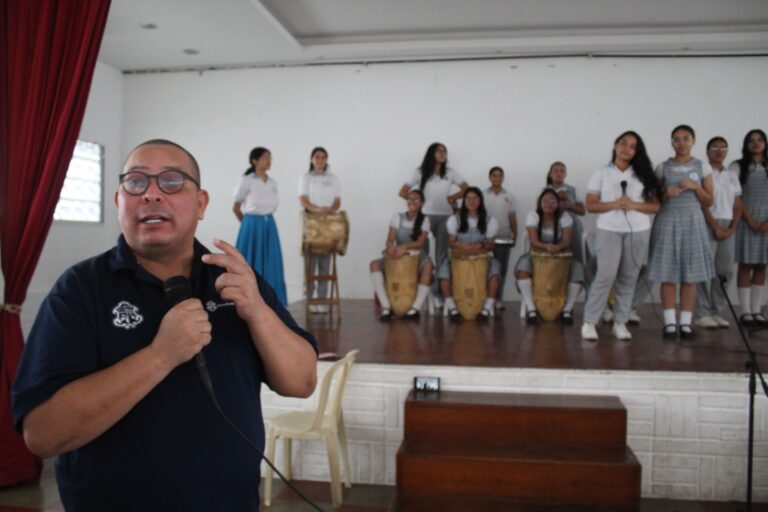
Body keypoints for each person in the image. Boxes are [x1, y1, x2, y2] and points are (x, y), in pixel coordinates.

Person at [12, 140, 318, 511]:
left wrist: (257, 311)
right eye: (136, 183)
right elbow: (43, 434)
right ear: (118, 202)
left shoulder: (236, 280)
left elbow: (301, 382)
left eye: (171, 182)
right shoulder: (79, 289)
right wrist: (161, 356)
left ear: (201, 203)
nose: (152, 195)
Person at [581, 131, 661, 341]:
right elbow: (591, 205)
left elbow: (655, 206)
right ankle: (590, 321)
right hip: (609, 230)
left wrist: (633, 205)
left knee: (629, 277)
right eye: (623, 143)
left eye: (632, 146)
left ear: (637, 152)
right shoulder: (601, 173)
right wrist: (615, 204)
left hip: (638, 231)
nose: (627, 148)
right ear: (616, 145)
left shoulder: (644, 174)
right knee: (605, 276)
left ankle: (620, 321)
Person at [647, 125, 714, 340]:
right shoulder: (662, 167)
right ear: (671, 142)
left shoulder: (703, 167)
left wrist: (696, 187)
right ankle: (669, 323)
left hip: (693, 223)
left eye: (686, 138)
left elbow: (709, 201)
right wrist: (666, 193)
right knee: (668, 275)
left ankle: (686, 323)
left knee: (690, 276)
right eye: (676, 139)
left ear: (693, 140)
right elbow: (653, 200)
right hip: (667, 222)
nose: (681, 143)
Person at [399, 143, 468, 307]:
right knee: (423, 256)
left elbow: (467, 189)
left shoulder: (450, 172)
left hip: (445, 217)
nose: (442, 153)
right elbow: (403, 192)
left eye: (444, 151)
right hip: (426, 217)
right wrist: (416, 202)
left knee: (442, 256)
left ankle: (439, 294)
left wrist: (451, 199)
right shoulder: (420, 172)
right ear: (431, 153)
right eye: (439, 150)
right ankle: (420, 293)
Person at [515, 188, 584, 324]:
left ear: (558, 204)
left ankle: (567, 310)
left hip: (560, 256)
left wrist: (558, 247)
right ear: (540, 203)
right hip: (536, 255)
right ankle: (531, 309)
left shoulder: (565, 217)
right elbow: (534, 241)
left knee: (577, 268)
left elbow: (566, 241)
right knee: (523, 267)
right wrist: (546, 247)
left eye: (553, 201)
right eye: (545, 200)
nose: (549, 204)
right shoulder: (533, 215)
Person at [694, 137, 741, 328]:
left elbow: (737, 205)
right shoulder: (703, 173)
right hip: (708, 223)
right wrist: (714, 226)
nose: (719, 151)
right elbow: (703, 203)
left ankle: (717, 310)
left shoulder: (731, 175)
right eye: (715, 147)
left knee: (725, 270)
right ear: (707, 151)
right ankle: (702, 312)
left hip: (728, 224)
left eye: (723, 148)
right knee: (705, 269)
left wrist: (732, 228)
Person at [233, 146, 288, 306]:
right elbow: (236, 207)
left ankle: (272, 301)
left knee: (271, 262)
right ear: (254, 160)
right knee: (250, 262)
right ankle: (247, 299)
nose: (268, 161)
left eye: (270, 158)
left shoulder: (272, 182)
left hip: (269, 224)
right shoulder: (246, 180)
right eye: (265, 158)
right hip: (251, 224)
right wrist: (247, 227)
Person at [437, 187, 501, 321]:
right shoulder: (454, 219)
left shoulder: (490, 220)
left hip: (483, 258)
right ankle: (452, 308)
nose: (472, 201)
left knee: (495, 273)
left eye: (475, 198)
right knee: (443, 273)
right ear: (464, 201)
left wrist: (479, 246)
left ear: (480, 201)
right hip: (458, 258)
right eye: (468, 198)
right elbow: (451, 243)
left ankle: (486, 309)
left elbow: (490, 244)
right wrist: (463, 246)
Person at [369, 189, 434, 321]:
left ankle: (415, 308)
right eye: (409, 198)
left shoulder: (425, 220)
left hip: (416, 256)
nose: (412, 201)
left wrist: (404, 247)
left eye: (416, 199)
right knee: (374, 264)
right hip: (398, 256)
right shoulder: (397, 217)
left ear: (421, 203)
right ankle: (386, 307)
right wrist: (390, 247)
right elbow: (390, 239)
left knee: (428, 267)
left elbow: (420, 242)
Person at [299, 147, 341, 314]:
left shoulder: (333, 178)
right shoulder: (305, 177)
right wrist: (317, 209)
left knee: (325, 261)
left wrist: (329, 210)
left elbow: (337, 200)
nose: (320, 160)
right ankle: (310, 297)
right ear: (311, 159)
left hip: (328, 221)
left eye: (323, 157)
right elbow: (303, 199)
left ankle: (323, 299)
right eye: (317, 157)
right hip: (311, 220)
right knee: (311, 261)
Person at [733, 129, 768, 326]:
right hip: (746, 221)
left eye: (760, 140)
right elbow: (735, 197)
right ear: (746, 144)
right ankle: (745, 311)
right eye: (751, 141)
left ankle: (757, 311)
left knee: (762, 265)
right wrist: (752, 220)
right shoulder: (738, 167)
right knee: (745, 264)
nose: (756, 143)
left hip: (767, 222)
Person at [484, 166, 518, 311]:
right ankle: (485, 298)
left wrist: (514, 233)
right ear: (490, 177)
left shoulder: (509, 196)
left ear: (503, 178)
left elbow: (512, 217)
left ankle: (498, 299)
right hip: (485, 237)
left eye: (500, 176)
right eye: (494, 176)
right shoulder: (482, 194)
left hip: (503, 236)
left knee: (501, 269)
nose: (497, 178)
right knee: (484, 268)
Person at [547, 161, 586, 265]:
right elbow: (539, 211)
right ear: (550, 174)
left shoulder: (573, 190)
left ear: (566, 174)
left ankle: (578, 278)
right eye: (556, 171)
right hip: (551, 226)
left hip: (573, 227)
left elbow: (582, 211)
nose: (559, 173)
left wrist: (570, 206)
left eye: (562, 171)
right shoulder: (545, 191)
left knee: (577, 255)